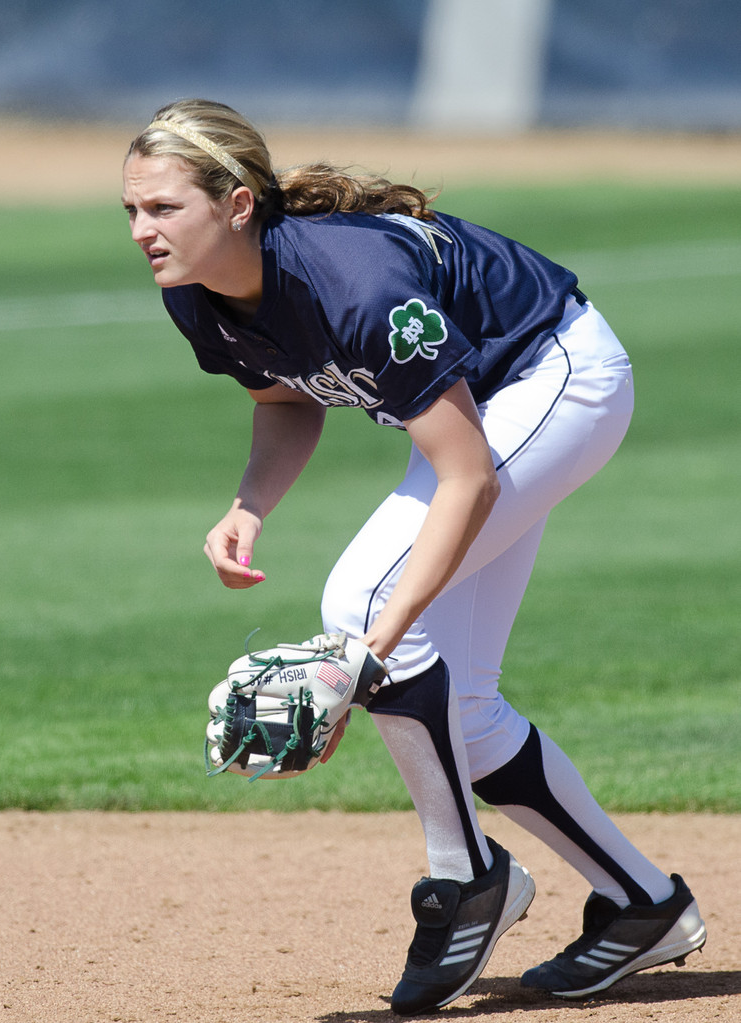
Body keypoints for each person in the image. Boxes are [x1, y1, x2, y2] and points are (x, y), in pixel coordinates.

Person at [122, 99, 707, 1014]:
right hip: (485, 404)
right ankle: (645, 905)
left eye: (162, 207)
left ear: (236, 204)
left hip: (553, 376)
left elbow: (467, 474)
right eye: (131, 210)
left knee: (361, 597)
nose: (142, 230)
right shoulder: (196, 296)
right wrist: (250, 504)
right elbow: (285, 396)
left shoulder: (356, 281)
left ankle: (465, 876)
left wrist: (365, 655)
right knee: (459, 708)